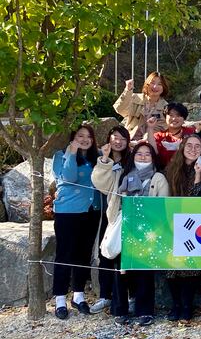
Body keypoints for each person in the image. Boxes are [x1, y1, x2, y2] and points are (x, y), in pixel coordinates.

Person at [95, 141, 168, 326]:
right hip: (124, 225)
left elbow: (163, 204)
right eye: (139, 153)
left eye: (147, 154)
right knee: (121, 269)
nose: (143, 157)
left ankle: (145, 310)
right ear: (133, 156)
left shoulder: (158, 177)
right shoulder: (123, 174)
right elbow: (104, 188)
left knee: (144, 270)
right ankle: (120, 309)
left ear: (153, 158)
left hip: (147, 229)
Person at [51, 125, 101, 320]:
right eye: (80, 136)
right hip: (68, 211)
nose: (84, 139)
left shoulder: (96, 157)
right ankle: (60, 298)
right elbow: (68, 177)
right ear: (73, 137)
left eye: (89, 136)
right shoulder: (61, 155)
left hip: (91, 210)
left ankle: (79, 295)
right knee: (65, 253)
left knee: (84, 253)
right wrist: (72, 152)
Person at [164, 134, 201, 321]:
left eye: (197, 146)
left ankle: (187, 305)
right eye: (189, 145)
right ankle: (176, 304)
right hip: (172, 221)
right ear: (182, 148)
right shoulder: (172, 169)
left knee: (190, 266)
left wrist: (199, 175)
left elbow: (197, 199)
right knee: (171, 267)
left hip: (195, 223)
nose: (192, 149)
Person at [89, 126, 131, 315]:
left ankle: (130, 296)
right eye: (115, 137)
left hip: (131, 213)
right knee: (106, 252)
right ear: (109, 139)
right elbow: (100, 184)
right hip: (112, 212)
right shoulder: (103, 159)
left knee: (128, 255)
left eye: (123, 138)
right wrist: (105, 160)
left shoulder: (133, 159)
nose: (118, 141)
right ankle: (105, 295)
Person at [113, 72, 169, 141]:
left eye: (159, 84)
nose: (155, 87)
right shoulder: (135, 98)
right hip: (129, 138)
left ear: (164, 87)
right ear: (147, 84)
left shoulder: (166, 107)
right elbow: (120, 109)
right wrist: (127, 90)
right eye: (152, 83)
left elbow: (161, 128)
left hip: (151, 142)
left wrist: (144, 141)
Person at [149, 102, 195, 168]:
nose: (174, 118)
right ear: (165, 117)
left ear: (184, 118)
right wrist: (150, 128)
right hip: (164, 172)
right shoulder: (159, 136)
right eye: (171, 115)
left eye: (178, 115)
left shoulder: (191, 133)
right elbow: (152, 152)